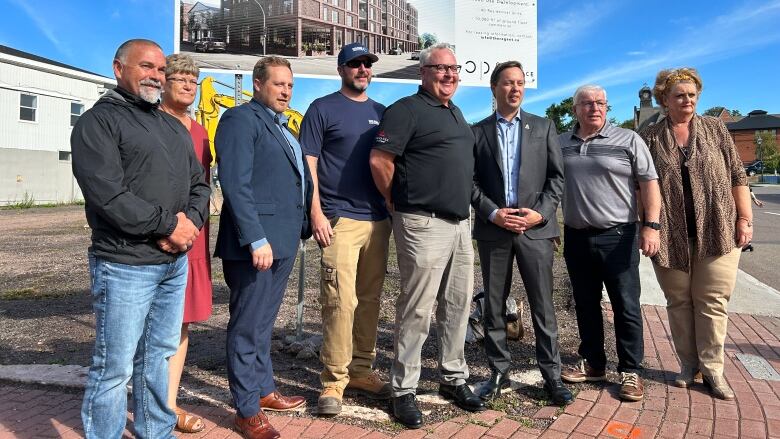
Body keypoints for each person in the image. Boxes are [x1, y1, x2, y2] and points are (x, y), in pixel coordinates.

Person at [71, 39, 210, 439]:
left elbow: (199, 186)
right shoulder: (98, 122)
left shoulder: (172, 126)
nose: (156, 75)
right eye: (146, 66)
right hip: (123, 264)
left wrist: (190, 226)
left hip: (172, 265)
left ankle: (157, 432)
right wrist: (168, 226)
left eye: (161, 69)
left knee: (158, 358)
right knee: (113, 366)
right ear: (119, 69)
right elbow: (108, 194)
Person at [370, 42, 485, 429]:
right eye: (441, 69)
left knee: (457, 305)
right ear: (423, 72)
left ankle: (453, 377)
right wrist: (395, 201)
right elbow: (380, 160)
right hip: (422, 222)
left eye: (454, 70)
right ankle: (404, 389)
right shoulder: (405, 110)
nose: (449, 75)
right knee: (417, 308)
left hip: (459, 225)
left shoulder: (456, 114)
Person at [214, 56, 312, 439]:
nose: (286, 91)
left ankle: (264, 388)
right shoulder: (241, 120)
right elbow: (235, 184)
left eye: (290, 85)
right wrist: (256, 238)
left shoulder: (285, 128)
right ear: (257, 84)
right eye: (278, 84)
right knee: (246, 326)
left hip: (284, 240)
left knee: (263, 324)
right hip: (256, 245)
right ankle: (246, 410)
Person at [640, 67, 752, 400]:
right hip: (670, 234)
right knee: (678, 302)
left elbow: (738, 175)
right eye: (680, 95)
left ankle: (714, 370)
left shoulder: (716, 129)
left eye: (692, 94)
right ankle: (688, 365)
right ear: (665, 99)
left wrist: (744, 219)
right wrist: (648, 225)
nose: (687, 100)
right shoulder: (651, 136)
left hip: (718, 231)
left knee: (713, 302)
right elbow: (642, 185)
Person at [471, 61, 572, 406]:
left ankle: (552, 376)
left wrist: (539, 214)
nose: (515, 88)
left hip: (535, 230)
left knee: (543, 305)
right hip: (495, 230)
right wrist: (493, 213)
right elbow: (470, 183)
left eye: (520, 83)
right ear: (494, 88)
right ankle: (498, 372)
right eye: (508, 83)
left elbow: (556, 179)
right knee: (494, 305)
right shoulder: (477, 131)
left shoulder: (543, 128)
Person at [299, 43, 392, 416]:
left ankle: (361, 371)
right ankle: (333, 381)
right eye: (355, 63)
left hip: (378, 222)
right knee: (339, 301)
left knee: (369, 301)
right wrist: (317, 214)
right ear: (341, 69)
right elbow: (309, 164)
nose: (362, 69)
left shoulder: (381, 112)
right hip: (339, 219)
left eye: (367, 64)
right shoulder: (322, 109)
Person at [557, 84, 661, 402]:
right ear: (575, 109)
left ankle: (631, 370)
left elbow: (649, 183)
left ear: (607, 107)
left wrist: (651, 227)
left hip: (619, 235)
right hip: (576, 235)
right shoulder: (560, 143)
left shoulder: (629, 140)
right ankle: (594, 363)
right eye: (587, 103)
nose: (594, 108)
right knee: (585, 303)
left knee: (625, 305)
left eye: (601, 103)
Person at [158, 53, 213, 434]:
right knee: (151, 324)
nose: (189, 86)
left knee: (181, 323)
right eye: (181, 78)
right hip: (154, 236)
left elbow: (205, 185)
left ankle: (169, 404)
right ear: (163, 81)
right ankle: (154, 403)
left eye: (194, 80)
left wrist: (191, 226)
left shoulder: (200, 131)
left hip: (193, 238)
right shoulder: (148, 122)